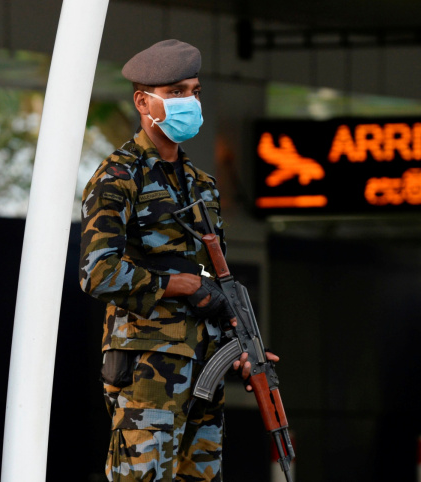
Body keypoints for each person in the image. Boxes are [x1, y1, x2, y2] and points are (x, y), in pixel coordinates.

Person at [79, 39, 277, 481]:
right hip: (148, 373)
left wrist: (242, 349)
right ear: (142, 101)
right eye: (176, 92)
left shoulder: (202, 184)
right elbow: (98, 273)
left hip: (203, 371)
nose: (189, 101)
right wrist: (179, 285)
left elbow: (213, 278)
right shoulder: (118, 176)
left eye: (194, 91)